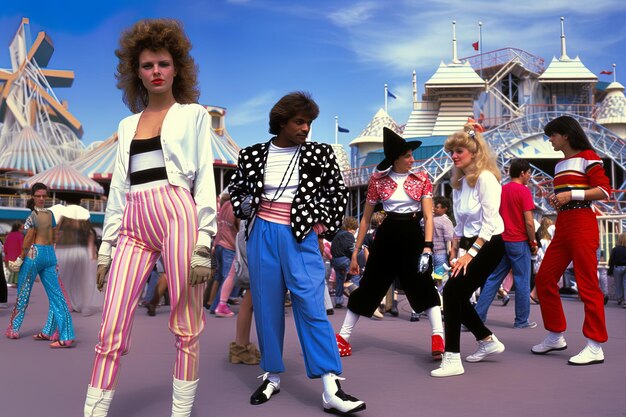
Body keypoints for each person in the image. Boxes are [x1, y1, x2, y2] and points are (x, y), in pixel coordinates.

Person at [84, 19, 217, 417]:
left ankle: (180, 413)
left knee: (187, 321)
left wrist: (204, 241)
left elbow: (205, 177)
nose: (155, 71)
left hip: (179, 213)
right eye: (147, 65)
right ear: (136, 72)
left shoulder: (194, 115)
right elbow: (119, 189)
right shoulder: (126, 125)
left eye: (162, 63)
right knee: (111, 323)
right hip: (134, 221)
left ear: (177, 67)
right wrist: (106, 247)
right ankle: (93, 412)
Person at [229, 91, 365, 415]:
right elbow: (236, 191)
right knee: (266, 305)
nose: (306, 128)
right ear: (281, 122)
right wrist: (248, 206)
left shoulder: (320, 153)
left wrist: (320, 225)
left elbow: (337, 193)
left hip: (301, 235)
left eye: (309, 122)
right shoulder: (251, 155)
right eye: (299, 122)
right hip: (262, 232)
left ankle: (331, 386)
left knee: (312, 305)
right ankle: (272, 374)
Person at [336, 127, 444, 360]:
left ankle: (438, 337)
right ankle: (342, 338)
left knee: (423, 283)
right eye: (407, 155)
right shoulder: (377, 181)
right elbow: (365, 219)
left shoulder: (423, 178)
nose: (412, 159)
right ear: (395, 158)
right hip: (386, 235)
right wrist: (355, 252)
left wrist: (427, 246)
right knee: (370, 284)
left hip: (413, 234)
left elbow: (427, 217)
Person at [531, 116, 612, 366]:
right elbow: (565, 196)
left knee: (587, 283)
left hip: (582, 223)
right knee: (544, 279)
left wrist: (570, 194)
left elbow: (605, 191)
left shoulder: (588, 155)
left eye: (552, 135)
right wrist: (557, 200)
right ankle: (556, 335)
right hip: (563, 224)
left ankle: (595, 345)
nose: (550, 140)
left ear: (565, 135)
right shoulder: (560, 165)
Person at [431, 120, 507, 378]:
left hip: (491, 243)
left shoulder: (486, 178)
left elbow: (489, 224)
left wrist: (469, 255)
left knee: (452, 292)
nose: (453, 156)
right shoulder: (460, 183)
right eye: (451, 152)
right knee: (456, 293)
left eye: (458, 151)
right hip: (471, 243)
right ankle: (486, 339)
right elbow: (460, 226)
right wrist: (455, 254)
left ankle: (452, 357)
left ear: (474, 153)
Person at [5, 183, 75, 347]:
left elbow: (29, 238)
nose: (42, 198)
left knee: (23, 293)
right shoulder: (50, 215)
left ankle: (14, 329)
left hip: (34, 254)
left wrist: (21, 258)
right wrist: (54, 257)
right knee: (56, 296)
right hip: (50, 254)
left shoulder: (32, 216)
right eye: (39, 196)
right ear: (34, 197)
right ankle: (61, 333)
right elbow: (53, 236)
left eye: (44, 196)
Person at [474, 158, 538, 329]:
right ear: (523, 173)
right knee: (522, 281)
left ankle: (478, 317)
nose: (530, 176)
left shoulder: (502, 190)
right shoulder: (523, 191)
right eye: (529, 173)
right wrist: (533, 241)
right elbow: (529, 222)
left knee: (493, 279)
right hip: (519, 241)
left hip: (502, 240)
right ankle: (521, 321)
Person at [55, 215, 102, 316]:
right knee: (85, 282)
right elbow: (91, 248)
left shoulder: (66, 231)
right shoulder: (88, 231)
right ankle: (84, 306)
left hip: (68, 256)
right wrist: (93, 260)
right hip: (85, 256)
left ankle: (70, 304)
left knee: (70, 282)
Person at [330, 216, 359, 309]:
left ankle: (338, 301)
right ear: (351, 228)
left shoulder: (337, 234)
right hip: (344, 259)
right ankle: (356, 299)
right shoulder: (348, 235)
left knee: (339, 279)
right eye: (355, 229)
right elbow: (351, 250)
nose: (355, 232)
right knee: (356, 274)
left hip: (335, 260)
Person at [532, 217, 555, 304]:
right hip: (544, 261)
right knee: (543, 279)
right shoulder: (547, 241)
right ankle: (536, 295)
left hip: (539, 260)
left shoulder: (541, 239)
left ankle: (537, 295)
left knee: (540, 279)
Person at [607, 232, 626, 307]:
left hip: (617, 267)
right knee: (625, 283)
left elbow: (611, 260)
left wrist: (610, 271)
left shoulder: (615, 249)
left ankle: (619, 299)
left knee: (618, 284)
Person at [4, 222, 24, 288]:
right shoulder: (20, 236)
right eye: (21, 228)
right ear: (18, 228)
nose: (23, 230)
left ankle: (11, 282)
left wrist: (6, 253)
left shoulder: (9, 235)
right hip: (18, 256)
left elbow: (5, 246)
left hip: (9, 256)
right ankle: (16, 283)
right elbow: (22, 247)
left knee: (11, 271)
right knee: (18, 271)